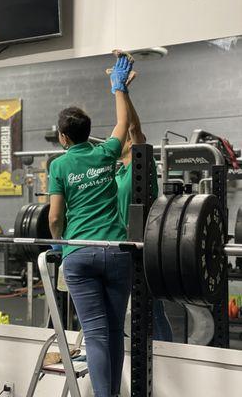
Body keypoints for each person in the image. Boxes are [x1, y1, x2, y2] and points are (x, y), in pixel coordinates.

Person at [48, 55, 136, 397]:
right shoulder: (105, 153)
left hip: (80, 255)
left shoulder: (59, 165)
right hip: (116, 253)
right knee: (114, 334)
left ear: (63, 137)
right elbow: (122, 123)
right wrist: (117, 88)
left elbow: (55, 217)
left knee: (97, 335)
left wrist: (58, 244)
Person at [115, 87, 173, 342]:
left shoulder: (142, 167)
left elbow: (133, 127)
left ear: (131, 143)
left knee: (152, 310)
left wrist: (122, 92)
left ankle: (167, 355)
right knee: (124, 310)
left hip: (142, 249)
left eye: (124, 137)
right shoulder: (116, 173)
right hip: (119, 248)